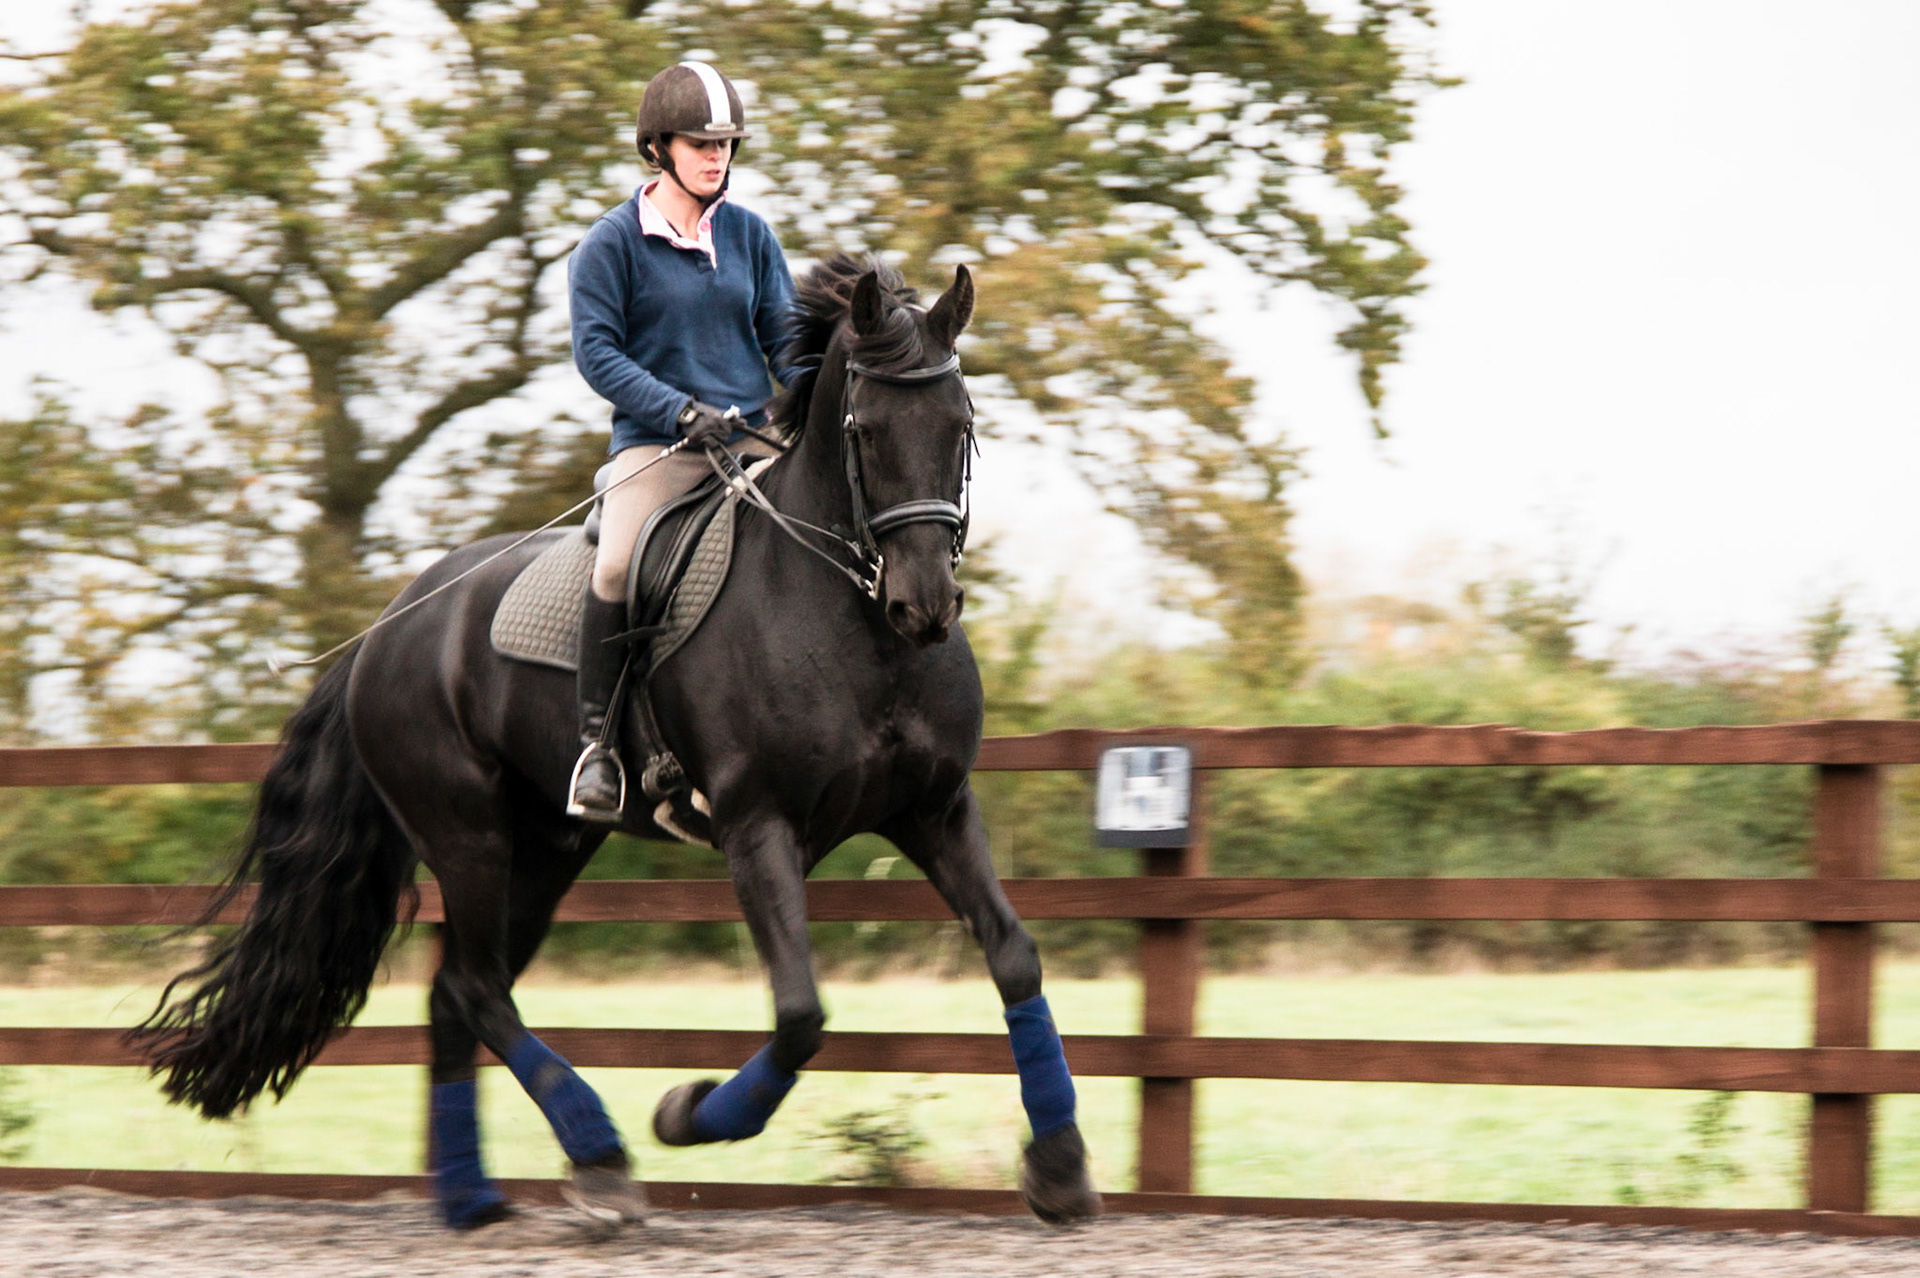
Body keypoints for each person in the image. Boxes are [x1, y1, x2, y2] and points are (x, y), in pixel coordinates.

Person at [564, 60, 794, 821]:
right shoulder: (611, 245)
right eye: (700, 142)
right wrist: (676, 410)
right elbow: (598, 354)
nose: (716, 156)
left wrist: (821, 390)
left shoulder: (751, 236)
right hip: (658, 447)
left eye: (726, 143)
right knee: (620, 563)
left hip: (748, 441)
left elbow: (785, 342)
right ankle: (598, 749)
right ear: (659, 146)